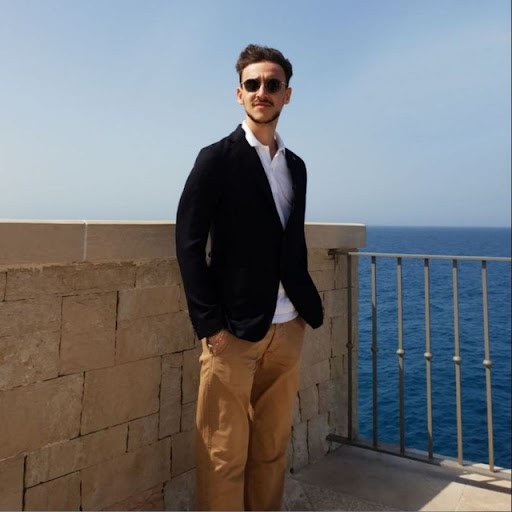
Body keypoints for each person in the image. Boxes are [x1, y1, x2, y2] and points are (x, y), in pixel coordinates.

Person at [176, 43, 323, 511]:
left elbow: (289, 240)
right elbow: (188, 243)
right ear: (239, 93)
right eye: (253, 84)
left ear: (287, 94)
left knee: (271, 449)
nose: (263, 91)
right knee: (222, 455)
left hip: (288, 326)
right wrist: (209, 325)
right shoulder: (215, 159)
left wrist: (300, 314)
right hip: (233, 333)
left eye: (272, 84)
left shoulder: (295, 166)